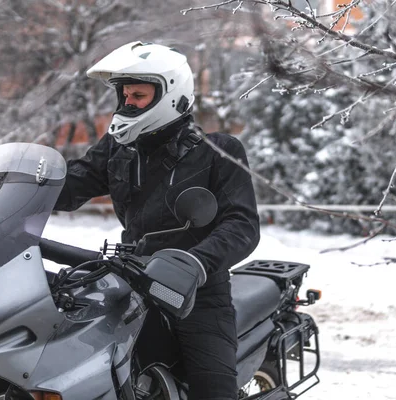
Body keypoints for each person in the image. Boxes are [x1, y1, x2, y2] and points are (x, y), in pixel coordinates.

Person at [54, 41, 260, 400]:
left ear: (171, 94)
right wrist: (5, 194)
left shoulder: (217, 151)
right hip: (128, 283)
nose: (128, 103)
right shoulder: (119, 148)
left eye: (139, 95)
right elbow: (71, 185)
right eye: (125, 95)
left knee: (212, 390)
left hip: (197, 292)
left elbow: (242, 225)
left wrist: (196, 262)